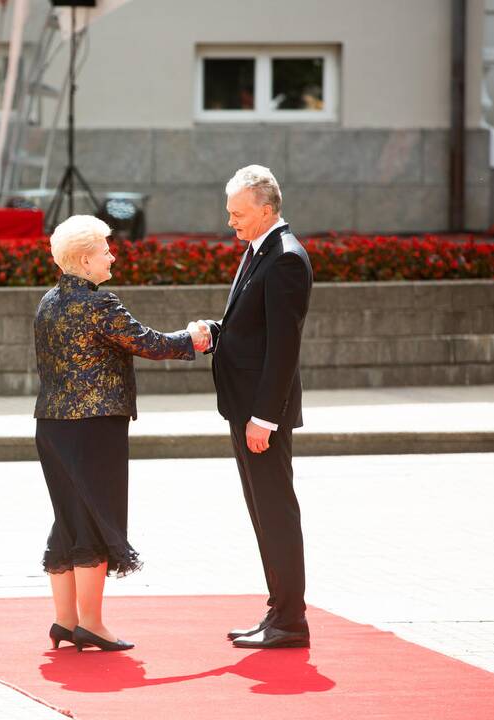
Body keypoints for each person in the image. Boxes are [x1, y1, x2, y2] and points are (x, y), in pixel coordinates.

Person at [34, 215, 209, 652]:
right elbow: (147, 342)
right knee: (94, 517)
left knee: (69, 518)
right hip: (94, 427)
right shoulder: (99, 303)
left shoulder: (47, 301)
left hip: (52, 425)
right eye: (105, 250)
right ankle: (91, 625)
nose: (112, 255)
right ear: (84, 259)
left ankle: (65, 620)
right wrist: (193, 339)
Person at [192, 164, 314, 650]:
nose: (231, 222)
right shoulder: (258, 249)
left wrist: (264, 416)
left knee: (276, 512)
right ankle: (277, 613)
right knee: (262, 513)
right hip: (243, 408)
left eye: (238, 213)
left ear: (266, 210)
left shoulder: (285, 257)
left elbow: (284, 346)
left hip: (263, 413)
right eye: (229, 213)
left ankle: (291, 621)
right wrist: (217, 333)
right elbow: (254, 328)